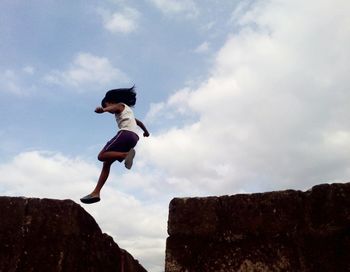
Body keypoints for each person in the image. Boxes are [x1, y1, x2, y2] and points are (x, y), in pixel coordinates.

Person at [80, 86, 150, 204]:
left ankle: (125, 155)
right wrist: (146, 132)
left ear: (110, 102)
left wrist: (103, 110)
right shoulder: (129, 112)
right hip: (134, 138)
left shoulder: (120, 105)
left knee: (101, 156)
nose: (110, 110)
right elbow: (139, 122)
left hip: (125, 134)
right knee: (106, 163)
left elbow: (114, 107)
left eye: (107, 105)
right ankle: (96, 193)